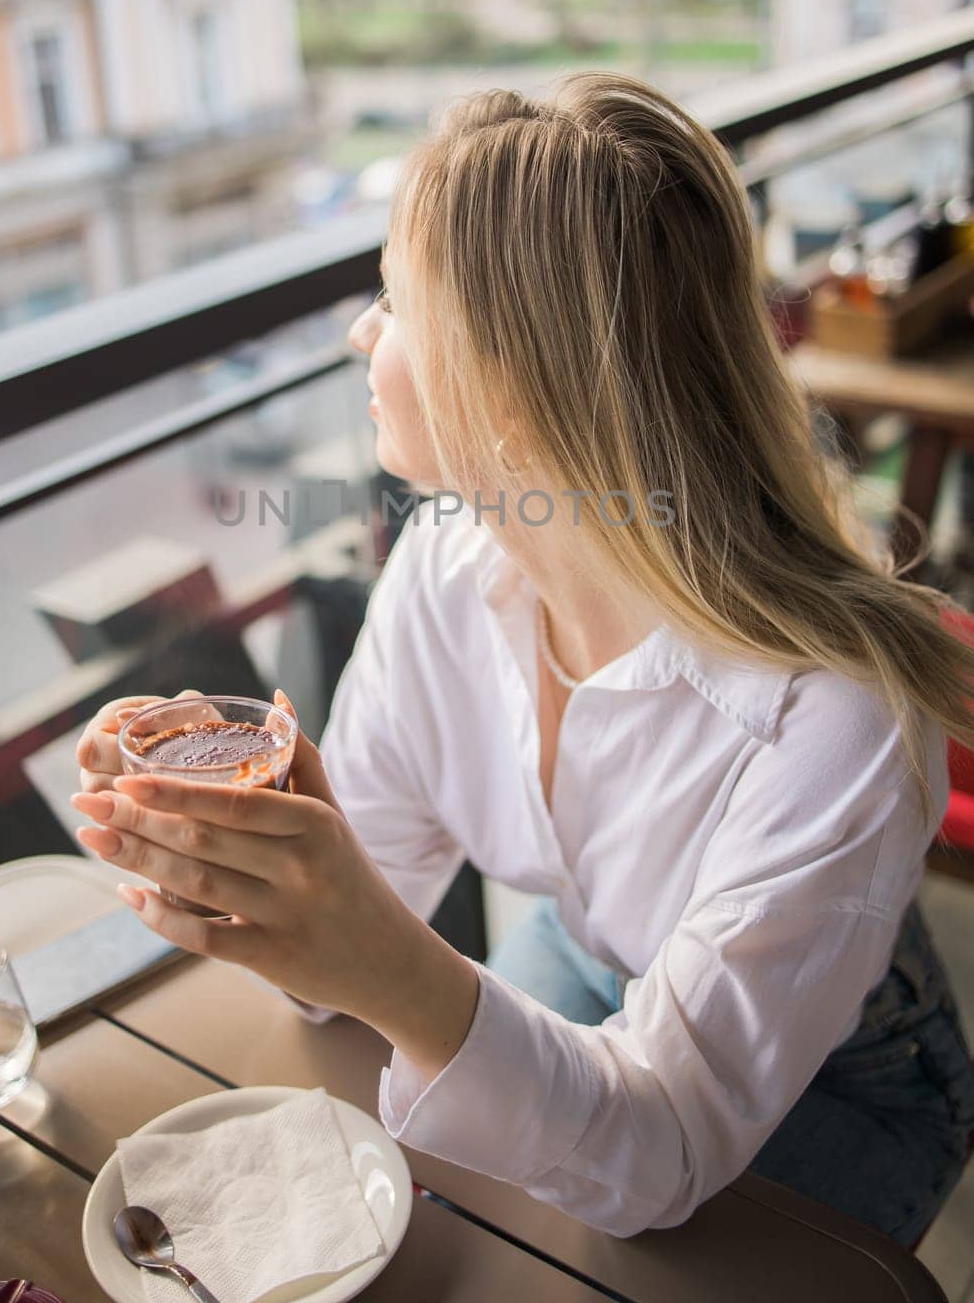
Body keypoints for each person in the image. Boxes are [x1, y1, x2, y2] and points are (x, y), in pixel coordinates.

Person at [73, 74, 974, 1246]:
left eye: (392, 301)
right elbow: (337, 957)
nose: (360, 330)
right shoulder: (444, 569)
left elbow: (659, 1155)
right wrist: (239, 842)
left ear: (510, 394)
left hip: (844, 1075)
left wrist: (389, 968)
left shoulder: (831, 722)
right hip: (588, 955)